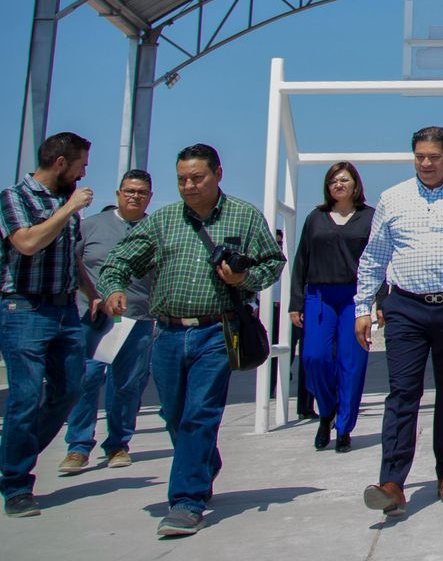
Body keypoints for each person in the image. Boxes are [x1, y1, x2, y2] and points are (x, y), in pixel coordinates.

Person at [98, 143, 286, 539]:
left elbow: (273, 262)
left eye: (196, 178)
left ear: (217, 173)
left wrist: (243, 279)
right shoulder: (164, 220)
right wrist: (113, 286)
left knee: (200, 414)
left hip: (216, 332)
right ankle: (202, 464)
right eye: (182, 179)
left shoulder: (244, 216)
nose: (188, 186)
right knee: (174, 415)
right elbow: (120, 259)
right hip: (166, 333)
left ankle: (186, 502)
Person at [355, 127, 443, 518]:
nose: (426, 164)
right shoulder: (393, 198)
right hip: (405, 310)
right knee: (402, 394)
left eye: (433, 156)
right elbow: (374, 255)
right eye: (419, 156)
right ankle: (392, 482)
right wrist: (363, 307)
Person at [0, 130, 95, 518]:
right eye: (80, 166)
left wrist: (94, 293)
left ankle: (10, 454)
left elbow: (70, 257)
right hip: (24, 309)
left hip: (65, 311)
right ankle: (17, 484)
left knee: (70, 390)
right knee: (24, 398)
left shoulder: (63, 201)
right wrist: (69, 210)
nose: (83, 174)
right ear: (60, 163)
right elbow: (26, 243)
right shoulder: (14, 197)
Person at [59, 168, 157, 475]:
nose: (134, 196)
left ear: (149, 197)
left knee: (127, 385)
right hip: (92, 317)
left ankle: (118, 444)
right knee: (86, 380)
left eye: (141, 192)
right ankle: (78, 446)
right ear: (118, 194)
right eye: (129, 190)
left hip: (138, 318)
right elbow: (70, 264)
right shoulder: (91, 226)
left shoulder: (156, 229)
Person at [290, 162, 375, 453]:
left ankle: (344, 427)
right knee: (314, 357)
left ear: (355, 184)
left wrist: (382, 302)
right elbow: (301, 259)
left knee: (352, 363)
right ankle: (326, 411)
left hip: (355, 297)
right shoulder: (316, 217)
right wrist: (295, 302)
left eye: (344, 180)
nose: (338, 185)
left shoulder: (370, 217)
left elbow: (382, 260)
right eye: (333, 181)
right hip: (318, 295)